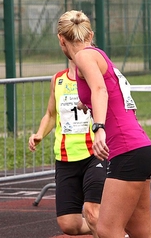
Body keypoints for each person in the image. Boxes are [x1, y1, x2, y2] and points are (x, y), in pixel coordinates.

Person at [57, 10, 151, 238]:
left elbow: (100, 90)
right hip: (141, 149)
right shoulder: (99, 56)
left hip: (127, 150)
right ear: (90, 34)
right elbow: (109, 94)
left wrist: (98, 128)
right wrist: (87, 105)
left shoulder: (83, 56)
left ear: (61, 40)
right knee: (140, 231)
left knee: (106, 229)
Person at [28, 59, 106, 237]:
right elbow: (50, 114)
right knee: (69, 225)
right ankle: (110, 227)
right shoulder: (57, 80)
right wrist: (40, 133)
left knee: (92, 213)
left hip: (94, 154)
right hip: (65, 158)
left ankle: (106, 227)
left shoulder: (95, 80)